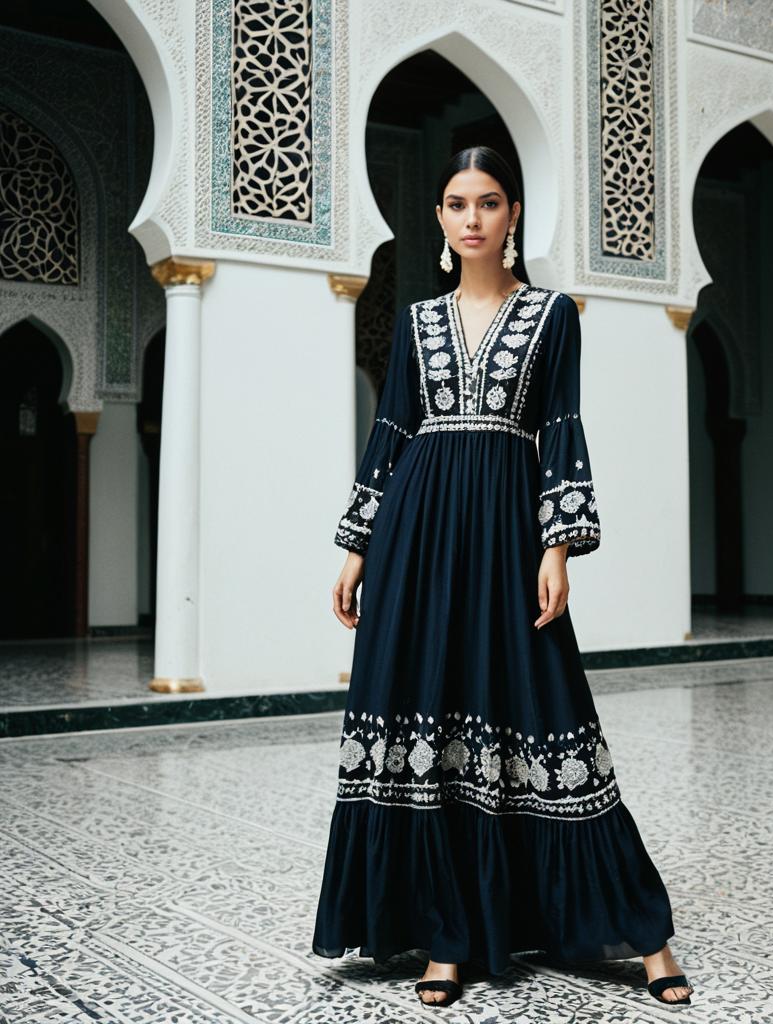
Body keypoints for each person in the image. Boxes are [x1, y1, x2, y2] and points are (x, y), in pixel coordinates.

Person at [311, 146, 694, 1009]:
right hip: (415, 538)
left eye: (487, 202)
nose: (472, 218)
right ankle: (448, 937)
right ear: (440, 219)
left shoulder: (552, 315)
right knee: (430, 717)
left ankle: (645, 932)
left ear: (513, 214)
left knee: (548, 708)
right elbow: (390, 433)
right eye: (456, 203)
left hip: (507, 535)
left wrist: (557, 547)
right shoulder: (417, 322)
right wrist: (358, 547)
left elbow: (560, 426)